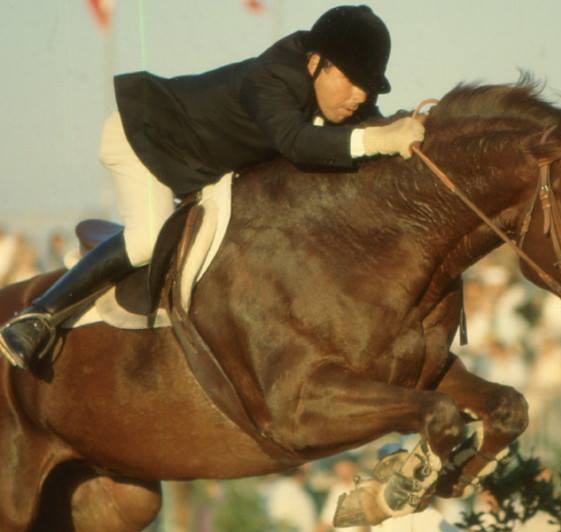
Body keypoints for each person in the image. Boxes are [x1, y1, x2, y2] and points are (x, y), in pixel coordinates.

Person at [0, 5, 424, 369]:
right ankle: (37, 317)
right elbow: (299, 143)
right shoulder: (272, 77)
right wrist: (380, 139)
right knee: (149, 238)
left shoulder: (335, 85)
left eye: (367, 86)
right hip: (144, 138)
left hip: (199, 167)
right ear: (315, 62)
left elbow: (372, 131)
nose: (358, 95)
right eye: (350, 81)